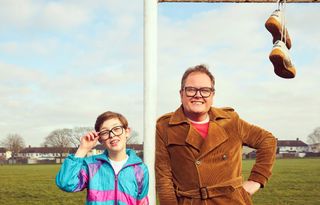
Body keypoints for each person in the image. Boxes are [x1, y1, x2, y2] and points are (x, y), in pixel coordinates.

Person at [155, 64, 277, 205]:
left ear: (212, 95)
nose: (198, 95)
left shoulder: (230, 121)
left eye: (205, 90)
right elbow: (164, 179)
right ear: (181, 93)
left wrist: (257, 179)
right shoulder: (165, 127)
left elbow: (267, 140)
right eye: (191, 90)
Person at [56, 111, 149, 205]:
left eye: (116, 129)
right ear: (100, 139)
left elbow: (142, 202)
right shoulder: (91, 165)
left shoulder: (140, 169)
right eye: (105, 132)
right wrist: (83, 149)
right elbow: (65, 183)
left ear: (127, 132)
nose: (112, 135)